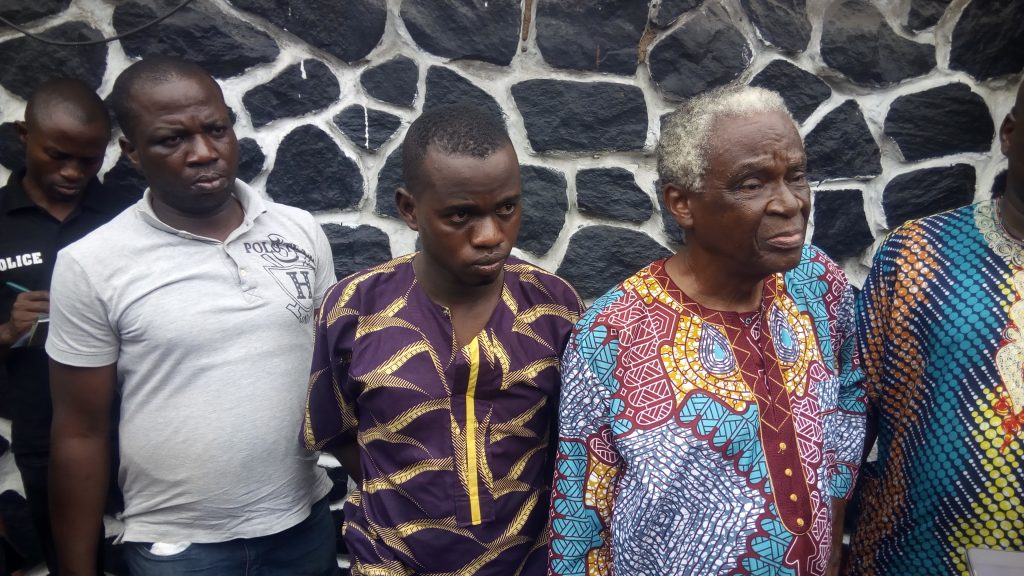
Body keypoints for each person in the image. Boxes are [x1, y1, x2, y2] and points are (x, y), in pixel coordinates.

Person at [547, 85, 868, 576]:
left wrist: (835, 524)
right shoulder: (611, 336)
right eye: (752, 184)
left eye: (796, 176)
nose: (789, 203)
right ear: (682, 204)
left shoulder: (817, 283)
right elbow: (580, 523)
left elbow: (849, 393)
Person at [46, 56, 339, 576]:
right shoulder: (90, 264)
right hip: (180, 548)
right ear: (132, 152)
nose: (203, 152)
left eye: (216, 130)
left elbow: (335, 373)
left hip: (302, 524)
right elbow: (79, 433)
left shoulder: (299, 231)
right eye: (171, 139)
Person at [303, 104, 583, 575]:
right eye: (460, 215)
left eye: (507, 208)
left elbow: (572, 444)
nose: (490, 235)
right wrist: (409, 499)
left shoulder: (554, 309)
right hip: (389, 563)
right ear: (409, 209)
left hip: (524, 565)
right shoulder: (355, 308)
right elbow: (337, 430)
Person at [846, 82, 1024, 576]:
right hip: (912, 558)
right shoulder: (918, 254)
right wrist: (829, 546)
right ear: (1010, 133)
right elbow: (852, 417)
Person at [0, 78, 132, 574]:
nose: (73, 172)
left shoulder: (128, 216)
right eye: (57, 156)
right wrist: (9, 331)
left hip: (136, 422)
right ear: (23, 135)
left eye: (89, 159)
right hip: (44, 429)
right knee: (71, 560)